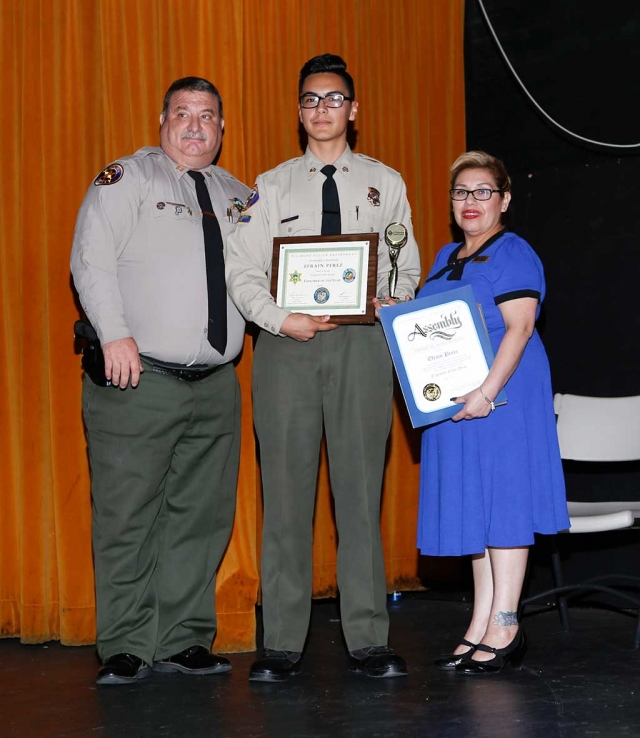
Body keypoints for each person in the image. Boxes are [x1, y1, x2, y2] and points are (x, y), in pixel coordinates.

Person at [225, 53, 420, 682]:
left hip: (363, 345)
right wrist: (281, 319)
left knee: (360, 492)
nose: (321, 110)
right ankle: (281, 642)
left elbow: (405, 264)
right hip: (287, 346)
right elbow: (243, 269)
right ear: (299, 110)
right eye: (310, 100)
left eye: (333, 99)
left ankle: (368, 637)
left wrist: (396, 299)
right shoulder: (273, 184)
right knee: (285, 495)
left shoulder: (384, 183)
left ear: (353, 109)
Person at [70, 77, 250, 685]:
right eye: (183, 114)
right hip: (138, 378)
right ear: (162, 121)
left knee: (201, 518)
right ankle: (124, 642)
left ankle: (183, 639)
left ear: (222, 129)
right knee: (127, 516)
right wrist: (114, 333)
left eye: (207, 116)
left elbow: (270, 273)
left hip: (217, 383)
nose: (195, 126)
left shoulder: (239, 195)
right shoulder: (128, 180)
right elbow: (89, 259)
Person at [416, 151, 570, 675]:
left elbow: (521, 328)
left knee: (502, 506)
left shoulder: (513, 251)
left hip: (503, 396)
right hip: (457, 403)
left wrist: (485, 390)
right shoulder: (443, 256)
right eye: (461, 192)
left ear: (503, 199)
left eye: (483, 191)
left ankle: (506, 623)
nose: (471, 201)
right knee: (476, 511)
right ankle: (480, 623)